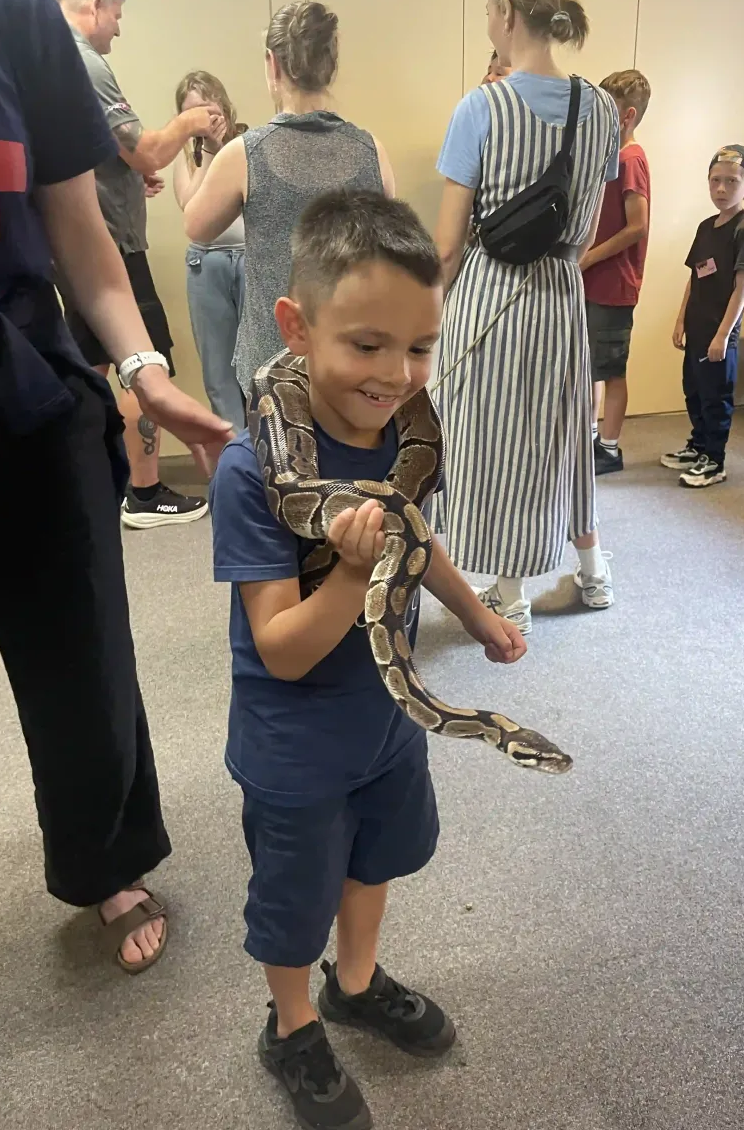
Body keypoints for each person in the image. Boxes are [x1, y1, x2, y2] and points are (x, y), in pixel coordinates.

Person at [0, 0, 233, 975]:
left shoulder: (5, 1)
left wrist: (143, 366)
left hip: (15, 363)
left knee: (82, 645)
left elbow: (79, 232)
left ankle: (106, 854)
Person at [209, 190, 527, 1130]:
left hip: (388, 720)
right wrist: (353, 572)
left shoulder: (403, 435)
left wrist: (475, 614)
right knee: (293, 900)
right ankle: (292, 1023)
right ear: (296, 329)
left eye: (419, 347)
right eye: (367, 344)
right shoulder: (250, 474)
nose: (396, 373)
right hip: (295, 745)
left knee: (374, 859)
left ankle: (352, 984)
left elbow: (416, 538)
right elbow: (281, 650)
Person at [433, 0, 620, 635]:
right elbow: (587, 229)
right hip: (562, 295)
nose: (488, 20)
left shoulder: (480, 108)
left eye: (488, 9)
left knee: (491, 437)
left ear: (507, 12)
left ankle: (509, 594)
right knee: (560, 436)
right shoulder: (603, 109)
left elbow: (447, 246)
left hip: (491, 293)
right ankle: (593, 572)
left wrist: (424, 319)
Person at [59, 0, 225, 529]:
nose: (118, 28)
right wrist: (191, 121)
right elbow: (147, 148)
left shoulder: (55, 60)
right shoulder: (85, 61)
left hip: (85, 238)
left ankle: (85, 485)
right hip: (109, 244)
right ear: (96, 6)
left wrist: (130, 177)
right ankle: (147, 491)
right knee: (144, 360)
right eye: (117, 16)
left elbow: (111, 153)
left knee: (91, 366)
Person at [184, 0, 395, 394]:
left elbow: (196, 226)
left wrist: (208, 149)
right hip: (351, 358)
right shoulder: (372, 151)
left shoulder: (245, 154)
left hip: (272, 365)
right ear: (332, 64)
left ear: (273, 64)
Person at [662, 145, 744, 488]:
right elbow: (695, 276)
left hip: (720, 334)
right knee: (695, 390)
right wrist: (680, 319)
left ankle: (715, 461)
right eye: (715, 180)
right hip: (698, 328)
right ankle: (699, 446)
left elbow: (743, 286)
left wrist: (722, 335)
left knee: (716, 397)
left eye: (731, 181)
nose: (721, 188)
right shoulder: (706, 227)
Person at [581, 69, 651, 475]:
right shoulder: (609, 157)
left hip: (614, 285)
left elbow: (637, 226)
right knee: (591, 365)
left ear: (627, 116)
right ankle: (592, 436)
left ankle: (609, 448)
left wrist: (590, 257)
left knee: (611, 369)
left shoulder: (631, 159)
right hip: (593, 283)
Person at [173, 70, 248, 432]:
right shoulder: (185, 157)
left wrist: (223, 149)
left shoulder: (246, 145)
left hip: (250, 261)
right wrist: (207, 151)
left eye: (207, 107)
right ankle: (235, 454)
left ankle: (268, 453)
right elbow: (191, 208)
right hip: (205, 265)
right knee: (219, 374)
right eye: (191, 112)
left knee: (258, 367)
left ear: (223, 105)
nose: (203, 117)